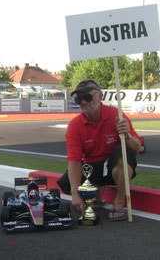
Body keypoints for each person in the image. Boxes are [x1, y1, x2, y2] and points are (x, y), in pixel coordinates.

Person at [57, 78, 143, 221]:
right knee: (66, 183)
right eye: (79, 99)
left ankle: (119, 202)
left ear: (100, 96)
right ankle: (97, 190)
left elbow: (137, 149)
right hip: (92, 168)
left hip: (113, 166)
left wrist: (127, 136)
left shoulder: (117, 115)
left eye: (87, 97)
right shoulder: (75, 125)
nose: (83, 102)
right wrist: (75, 194)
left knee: (123, 152)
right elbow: (74, 161)